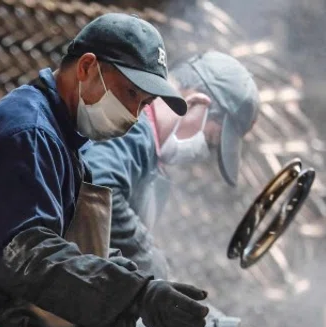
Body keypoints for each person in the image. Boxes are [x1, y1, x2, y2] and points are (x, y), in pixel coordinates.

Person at [0, 13, 211, 327]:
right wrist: (136, 296)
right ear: (86, 67)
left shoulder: (63, 138)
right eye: (129, 93)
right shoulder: (30, 133)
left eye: (144, 104)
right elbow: (30, 259)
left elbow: (76, 244)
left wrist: (145, 285)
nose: (134, 116)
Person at [82, 51, 261, 277]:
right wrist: (147, 256)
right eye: (210, 140)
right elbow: (99, 184)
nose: (204, 151)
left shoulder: (148, 149)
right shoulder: (134, 129)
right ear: (197, 102)